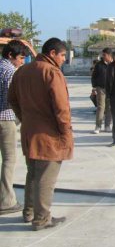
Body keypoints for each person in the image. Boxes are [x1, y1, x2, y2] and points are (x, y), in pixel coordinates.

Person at [8, 38, 73, 230]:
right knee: (46, 177)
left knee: (33, 175)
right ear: (52, 53)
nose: (63, 59)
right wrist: (66, 132)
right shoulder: (51, 72)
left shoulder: (22, 71)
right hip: (49, 135)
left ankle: (29, 212)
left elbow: (12, 99)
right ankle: (42, 218)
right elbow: (62, 109)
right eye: (62, 55)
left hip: (30, 132)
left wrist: (25, 118)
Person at [0, 41, 26, 216]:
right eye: (21, 58)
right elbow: (14, 99)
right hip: (5, 119)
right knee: (9, 160)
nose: (22, 62)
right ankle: (6, 201)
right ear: (10, 55)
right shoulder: (10, 72)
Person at [91, 47, 113, 134]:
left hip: (111, 89)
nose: (102, 56)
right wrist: (94, 87)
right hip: (101, 89)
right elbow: (94, 77)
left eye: (104, 55)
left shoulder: (114, 65)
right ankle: (98, 126)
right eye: (102, 55)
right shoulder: (99, 65)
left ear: (109, 55)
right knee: (101, 108)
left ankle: (107, 125)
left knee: (109, 108)